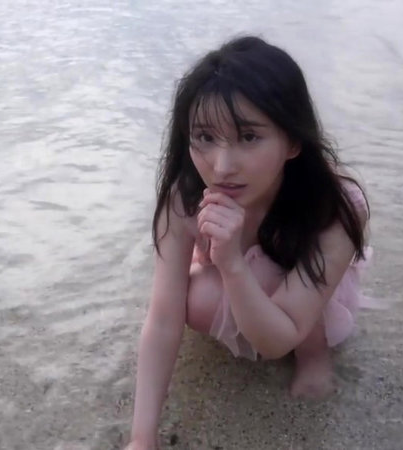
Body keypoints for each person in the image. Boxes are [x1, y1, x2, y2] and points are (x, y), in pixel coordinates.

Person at [126, 36, 370, 449]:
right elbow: (163, 319)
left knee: (280, 271)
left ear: (293, 141)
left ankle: (314, 355)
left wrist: (233, 264)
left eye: (249, 137)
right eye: (205, 137)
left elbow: (276, 343)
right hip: (239, 274)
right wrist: (142, 438)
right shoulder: (183, 198)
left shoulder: (336, 207)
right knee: (195, 298)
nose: (222, 167)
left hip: (303, 294)